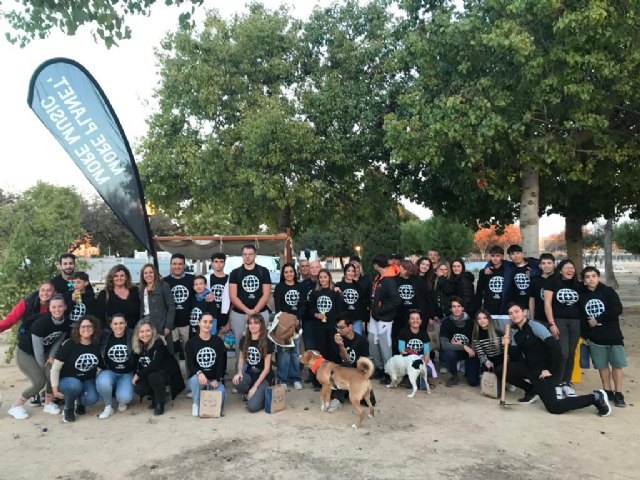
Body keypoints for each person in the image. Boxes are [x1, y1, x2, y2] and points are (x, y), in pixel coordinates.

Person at [503, 303, 611, 416]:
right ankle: (532, 390)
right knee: (502, 370)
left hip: (544, 370)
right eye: (511, 313)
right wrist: (508, 344)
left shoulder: (534, 326)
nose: (514, 315)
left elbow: (555, 347)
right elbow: (515, 357)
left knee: (554, 407)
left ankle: (595, 397)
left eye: (516, 311)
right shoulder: (514, 332)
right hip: (530, 368)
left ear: (524, 312)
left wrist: (550, 370)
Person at [7, 294, 68, 419]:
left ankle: (48, 403)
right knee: (39, 381)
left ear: (65, 307)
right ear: (49, 308)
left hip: (44, 354)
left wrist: (51, 356)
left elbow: (57, 341)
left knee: (52, 372)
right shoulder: (41, 323)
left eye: (60, 306)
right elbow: (37, 350)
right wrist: (41, 369)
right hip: (26, 353)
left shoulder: (65, 322)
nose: (57, 310)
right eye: (54, 307)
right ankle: (16, 406)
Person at [579, 267, 626, 407]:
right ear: (584, 280)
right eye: (587, 277)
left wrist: (598, 319)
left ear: (598, 277)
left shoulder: (608, 291)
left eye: (594, 276)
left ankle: (619, 393)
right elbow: (581, 317)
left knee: (617, 365)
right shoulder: (581, 295)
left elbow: (618, 309)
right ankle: (607, 390)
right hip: (595, 338)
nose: (591, 279)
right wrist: (584, 336)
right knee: (602, 366)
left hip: (613, 336)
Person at [51, 315, 103, 423]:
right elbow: (55, 368)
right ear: (78, 329)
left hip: (87, 380)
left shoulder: (96, 344)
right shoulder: (69, 344)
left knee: (92, 398)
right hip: (68, 381)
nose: (86, 329)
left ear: (94, 329)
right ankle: (68, 409)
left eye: (89, 326)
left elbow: (101, 365)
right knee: (75, 385)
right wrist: (55, 389)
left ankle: (79, 402)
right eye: (83, 326)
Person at [131, 320, 185, 415]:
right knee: (138, 387)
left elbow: (155, 365)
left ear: (152, 331)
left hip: (167, 374)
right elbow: (132, 363)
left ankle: (160, 403)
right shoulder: (138, 345)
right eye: (141, 331)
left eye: (148, 330)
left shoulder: (158, 343)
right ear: (137, 334)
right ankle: (155, 396)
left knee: (154, 376)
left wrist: (138, 374)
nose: (145, 334)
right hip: (150, 373)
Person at [544, 259, 581, 398]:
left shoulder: (578, 284)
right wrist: (551, 323)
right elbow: (547, 304)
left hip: (576, 321)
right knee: (563, 352)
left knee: (571, 353)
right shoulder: (552, 282)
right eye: (567, 268)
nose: (570, 270)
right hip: (559, 320)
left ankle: (567, 382)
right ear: (560, 270)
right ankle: (557, 382)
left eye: (572, 268)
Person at [229, 244, 272, 362]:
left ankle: (261, 373)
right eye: (245, 254)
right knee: (240, 343)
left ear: (255, 255)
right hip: (239, 314)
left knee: (261, 342)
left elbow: (266, 294)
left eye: (250, 254)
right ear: (242, 256)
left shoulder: (263, 271)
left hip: (261, 312)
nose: (247, 257)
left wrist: (254, 312)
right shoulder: (235, 273)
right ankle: (240, 373)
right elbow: (233, 296)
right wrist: (247, 311)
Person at [327, 316, 375, 413]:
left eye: (341, 327)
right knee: (346, 365)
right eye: (337, 327)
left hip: (357, 373)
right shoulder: (337, 339)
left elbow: (365, 362)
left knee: (371, 401)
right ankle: (338, 399)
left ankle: (349, 391)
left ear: (350, 327)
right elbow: (345, 361)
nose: (339, 330)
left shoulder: (362, 341)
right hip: (342, 373)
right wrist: (340, 345)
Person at [368, 253, 401, 384]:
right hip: (374, 317)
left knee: (385, 345)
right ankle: (380, 368)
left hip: (384, 318)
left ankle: (389, 373)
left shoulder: (389, 279)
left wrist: (382, 310)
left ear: (376, 265)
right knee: (372, 341)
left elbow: (396, 300)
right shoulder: (379, 278)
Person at [185, 313, 226, 417]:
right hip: (198, 379)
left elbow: (221, 363)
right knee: (195, 380)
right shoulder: (191, 343)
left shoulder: (218, 341)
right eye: (205, 322)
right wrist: (199, 373)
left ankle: (205, 391)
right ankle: (196, 403)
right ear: (199, 323)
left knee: (220, 404)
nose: (207, 325)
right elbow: (190, 365)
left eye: (210, 322)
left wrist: (217, 379)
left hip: (213, 380)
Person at [273, 262, 306, 389]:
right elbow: (278, 306)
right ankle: (283, 379)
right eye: (286, 272)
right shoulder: (279, 287)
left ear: (294, 272)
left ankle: (295, 378)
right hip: (283, 324)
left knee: (295, 351)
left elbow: (303, 304)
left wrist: (297, 318)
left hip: (297, 323)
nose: (289, 274)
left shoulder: (300, 287)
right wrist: (286, 321)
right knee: (283, 351)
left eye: (291, 271)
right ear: (283, 274)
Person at [232, 313, 274, 412]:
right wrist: (239, 373)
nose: (252, 326)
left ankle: (261, 394)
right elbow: (241, 359)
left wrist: (255, 387)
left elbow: (266, 369)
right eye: (250, 323)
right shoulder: (245, 339)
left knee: (252, 407)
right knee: (237, 382)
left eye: (256, 323)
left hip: (264, 377)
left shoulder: (266, 342)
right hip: (251, 374)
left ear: (261, 325)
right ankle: (250, 393)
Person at [96, 313, 135, 419]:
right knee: (103, 382)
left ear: (126, 324)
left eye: (121, 323)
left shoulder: (132, 335)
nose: (118, 326)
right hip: (109, 371)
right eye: (115, 324)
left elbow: (146, 334)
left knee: (125, 398)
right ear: (111, 325)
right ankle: (108, 407)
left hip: (126, 373)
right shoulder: (104, 336)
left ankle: (121, 399)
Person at [439, 296, 480, 387]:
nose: (456, 309)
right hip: (454, 352)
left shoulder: (471, 323)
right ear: (450, 309)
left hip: (469, 352)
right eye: (454, 306)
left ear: (463, 308)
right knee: (449, 353)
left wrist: (466, 346)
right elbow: (445, 345)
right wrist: (463, 346)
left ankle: (469, 371)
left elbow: (476, 342)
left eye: (459, 306)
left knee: (473, 382)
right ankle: (454, 375)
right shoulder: (446, 323)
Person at [164, 253, 196, 358]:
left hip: (187, 324)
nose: (177, 266)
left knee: (189, 353)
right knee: (173, 354)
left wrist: (208, 294)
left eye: (180, 264)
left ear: (184, 265)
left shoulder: (192, 279)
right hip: (171, 326)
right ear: (170, 265)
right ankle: (175, 375)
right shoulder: (164, 281)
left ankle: (191, 374)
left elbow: (201, 293)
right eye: (174, 264)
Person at [308, 268, 342, 364]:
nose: (323, 279)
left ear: (329, 278)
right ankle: (322, 373)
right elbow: (310, 309)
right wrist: (316, 314)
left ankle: (334, 372)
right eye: (321, 277)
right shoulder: (315, 293)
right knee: (321, 350)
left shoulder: (335, 292)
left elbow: (339, 309)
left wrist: (338, 323)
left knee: (333, 350)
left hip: (332, 325)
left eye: (325, 277)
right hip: (319, 326)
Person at [139, 263, 175, 345]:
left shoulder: (163, 286)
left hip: (160, 323)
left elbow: (171, 307)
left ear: (155, 273)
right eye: (145, 273)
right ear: (142, 275)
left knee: (164, 350)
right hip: (145, 323)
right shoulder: (141, 289)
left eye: (151, 272)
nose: (148, 275)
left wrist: (168, 326)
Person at [474, 245, 509, 329]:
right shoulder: (484, 272)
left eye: (498, 256)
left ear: (502, 256)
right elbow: (479, 291)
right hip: (489, 309)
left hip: (504, 309)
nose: (495, 258)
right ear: (490, 256)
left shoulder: (508, 271)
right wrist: (477, 308)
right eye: (493, 256)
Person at [96, 264, 140, 330]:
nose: (119, 278)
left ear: (126, 277)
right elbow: (99, 317)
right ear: (112, 278)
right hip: (113, 335)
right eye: (116, 276)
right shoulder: (104, 294)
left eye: (122, 276)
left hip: (134, 333)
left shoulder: (135, 291)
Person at [398, 309, 434, 388]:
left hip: (421, 360)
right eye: (412, 319)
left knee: (428, 370)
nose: (415, 321)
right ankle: (411, 378)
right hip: (407, 360)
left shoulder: (424, 333)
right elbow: (401, 350)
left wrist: (422, 365)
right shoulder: (403, 332)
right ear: (409, 321)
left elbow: (426, 352)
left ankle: (419, 378)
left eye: (417, 319)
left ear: (421, 321)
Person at [393, 260, 419, 354]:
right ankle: (400, 355)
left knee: (412, 336)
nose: (400, 269)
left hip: (413, 313)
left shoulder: (416, 280)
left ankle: (413, 355)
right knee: (400, 336)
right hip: (399, 314)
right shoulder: (394, 280)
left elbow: (422, 297)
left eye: (402, 268)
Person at [472, 309, 505, 378]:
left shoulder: (499, 332)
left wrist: (506, 362)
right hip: (489, 361)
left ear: (489, 319)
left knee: (499, 374)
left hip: (502, 360)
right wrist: (486, 362)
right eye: (479, 319)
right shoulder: (476, 334)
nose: (482, 321)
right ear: (477, 321)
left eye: (485, 318)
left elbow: (506, 350)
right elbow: (480, 353)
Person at [335, 263, 366, 335]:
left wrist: (363, 320)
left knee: (357, 341)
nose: (350, 273)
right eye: (348, 271)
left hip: (356, 319)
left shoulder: (359, 286)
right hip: (343, 320)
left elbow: (362, 304)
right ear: (345, 272)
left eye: (352, 271)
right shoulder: (338, 285)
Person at [529, 253, 556, 326]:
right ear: (539, 266)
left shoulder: (558, 279)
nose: (546, 265)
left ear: (554, 265)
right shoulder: (535, 281)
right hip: (539, 318)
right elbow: (532, 299)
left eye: (549, 263)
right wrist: (532, 317)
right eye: (543, 263)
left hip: (556, 318)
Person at [208, 252, 230, 334]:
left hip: (224, 317)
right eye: (216, 261)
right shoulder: (207, 278)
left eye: (221, 261)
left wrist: (229, 323)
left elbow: (232, 303)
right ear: (212, 263)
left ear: (224, 263)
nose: (219, 264)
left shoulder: (229, 279)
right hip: (210, 317)